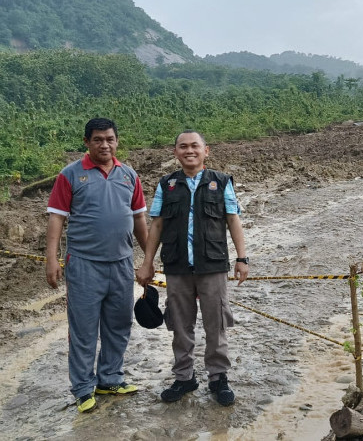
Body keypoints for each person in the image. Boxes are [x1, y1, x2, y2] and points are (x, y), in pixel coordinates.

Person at [136, 130, 248, 407]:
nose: (189, 151)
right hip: (176, 266)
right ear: (175, 152)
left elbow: (232, 219)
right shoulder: (167, 184)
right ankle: (184, 377)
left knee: (216, 323)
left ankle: (218, 377)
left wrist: (242, 258)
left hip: (212, 264)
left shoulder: (221, 183)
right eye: (183, 147)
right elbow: (157, 224)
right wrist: (148, 261)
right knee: (179, 325)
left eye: (194, 146)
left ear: (205, 151)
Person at [46, 118, 148, 413]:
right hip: (84, 265)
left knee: (119, 325)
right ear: (87, 142)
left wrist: (149, 259)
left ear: (117, 141)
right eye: (98, 139)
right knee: (84, 329)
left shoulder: (128, 175)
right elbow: (56, 218)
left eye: (110, 139)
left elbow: (140, 218)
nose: (105, 144)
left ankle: (110, 379)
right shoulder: (70, 175)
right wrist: (52, 259)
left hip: (121, 263)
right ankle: (82, 388)